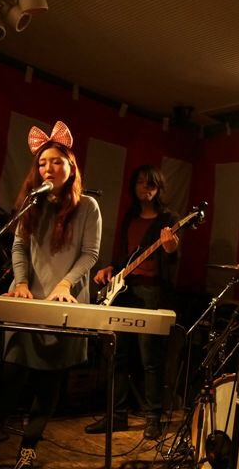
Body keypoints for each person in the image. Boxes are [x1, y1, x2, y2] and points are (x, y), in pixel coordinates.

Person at [0, 121, 102, 469]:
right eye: (43, 163)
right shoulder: (32, 203)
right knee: (12, 369)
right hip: (29, 299)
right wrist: (21, 282)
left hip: (65, 302)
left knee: (49, 380)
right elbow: (19, 247)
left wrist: (65, 284)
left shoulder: (88, 206)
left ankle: (29, 445)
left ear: (71, 166)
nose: (48, 168)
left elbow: (90, 254)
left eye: (56, 161)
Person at [84, 164, 179, 440]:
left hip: (152, 292)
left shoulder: (169, 218)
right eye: (140, 183)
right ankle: (117, 416)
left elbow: (172, 256)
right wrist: (110, 269)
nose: (145, 188)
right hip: (124, 290)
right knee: (118, 354)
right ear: (133, 186)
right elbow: (123, 257)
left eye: (151, 184)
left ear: (159, 188)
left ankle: (153, 418)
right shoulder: (129, 217)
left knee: (151, 358)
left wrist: (170, 247)